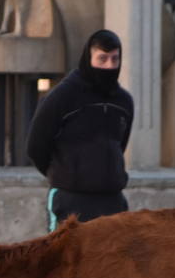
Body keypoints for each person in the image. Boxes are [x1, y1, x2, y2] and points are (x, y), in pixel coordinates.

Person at [25, 29, 133, 231]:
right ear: (88, 58)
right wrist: (64, 173)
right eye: (102, 59)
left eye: (114, 59)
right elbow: (36, 146)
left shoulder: (124, 101)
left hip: (112, 201)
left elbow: (121, 144)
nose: (109, 66)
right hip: (70, 200)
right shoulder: (62, 96)